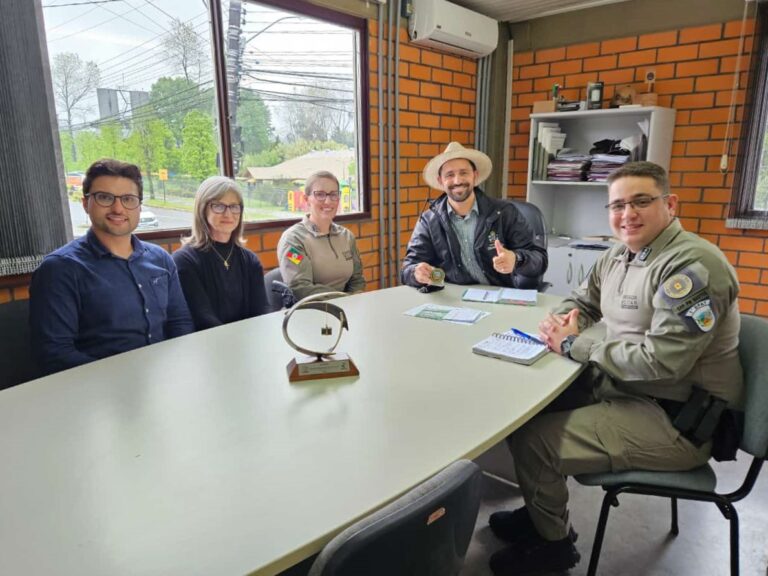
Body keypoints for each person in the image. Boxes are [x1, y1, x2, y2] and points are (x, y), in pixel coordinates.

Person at [487, 162, 744, 576]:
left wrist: (574, 344)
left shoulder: (692, 267)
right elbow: (582, 302)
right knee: (526, 411)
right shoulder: (619, 255)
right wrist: (563, 321)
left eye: (642, 201)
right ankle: (541, 511)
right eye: (618, 204)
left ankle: (552, 547)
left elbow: (661, 363)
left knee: (536, 441)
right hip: (628, 389)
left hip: (678, 419)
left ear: (670, 204)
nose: (628, 214)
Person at [29, 159, 194, 376]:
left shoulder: (160, 259)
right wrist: (121, 380)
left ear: (139, 206)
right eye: (105, 198)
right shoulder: (60, 269)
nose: (118, 208)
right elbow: (54, 353)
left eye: (128, 199)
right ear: (85, 203)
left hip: (163, 380)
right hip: (97, 394)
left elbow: (180, 323)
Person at [401, 142, 547, 290]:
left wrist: (517, 259)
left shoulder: (504, 212)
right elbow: (407, 269)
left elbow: (539, 259)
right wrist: (416, 273)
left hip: (499, 299)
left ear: (475, 176)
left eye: (464, 173)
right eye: (450, 175)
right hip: (454, 301)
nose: (457, 181)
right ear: (440, 181)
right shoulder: (429, 220)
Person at [173, 176, 268, 330]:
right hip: (208, 344)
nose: (228, 214)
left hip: (249, 341)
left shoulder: (250, 260)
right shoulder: (184, 261)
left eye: (234, 206)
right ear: (202, 209)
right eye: (218, 206)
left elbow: (261, 312)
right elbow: (203, 318)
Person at [277, 170, 365, 301]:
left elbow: (357, 279)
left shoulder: (347, 236)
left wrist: (352, 302)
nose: (328, 201)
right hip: (309, 312)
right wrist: (344, 300)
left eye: (333, 195)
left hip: (347, 310)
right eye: (320, 195)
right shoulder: (293, 240)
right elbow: (301, 288)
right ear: (306, 199)